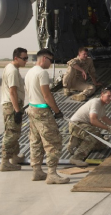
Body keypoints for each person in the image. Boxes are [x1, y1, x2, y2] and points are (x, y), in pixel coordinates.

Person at [25, 48, 69, 184]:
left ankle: (37, 171)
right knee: (53, 142)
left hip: (32, 108)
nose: (50, 64)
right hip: (42, 111)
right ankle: (52, 174)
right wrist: (57, 111)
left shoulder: (29, 72)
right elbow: (46, 95)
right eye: (50, 60)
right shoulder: (42, 73)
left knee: (36, 141)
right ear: (44, 58)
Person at [66, 88, 111, 167]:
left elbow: (104, 118)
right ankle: (76, 158)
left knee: (101, 145)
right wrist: (108, 128)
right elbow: (93, 120)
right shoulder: (96, 103)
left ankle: (75, 140)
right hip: (76, 124)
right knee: (94, 135)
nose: (110, 99)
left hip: (82, 126)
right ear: (102, 95)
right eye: (108, 96)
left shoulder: (102, 106)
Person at [0, 47, 28, 172]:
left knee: (15, 132)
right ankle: (5, 162)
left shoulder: (12, 68)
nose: (26, 61)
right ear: (16, 58)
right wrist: (17, 110)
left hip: (12, 105)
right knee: (11, 134)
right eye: (24, 58)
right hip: (12, 106)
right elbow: (12, 92)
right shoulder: (12, 71)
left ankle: (14, 157)